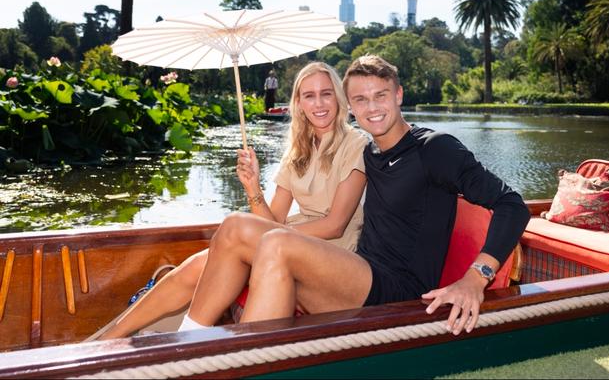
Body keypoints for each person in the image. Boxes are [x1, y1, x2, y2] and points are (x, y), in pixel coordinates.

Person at [179, 54, 530, 336]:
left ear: (399, 95)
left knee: (276, 243)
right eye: (360, 99)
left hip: (400, 290)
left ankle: (211, 354)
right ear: (351, 106)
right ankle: (190, 344)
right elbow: (322, 161)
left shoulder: (434, 148)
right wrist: (255, 185)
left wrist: (475, 278)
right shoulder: (369, 153)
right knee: (243, 234)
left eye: (380, 96)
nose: (372, 108)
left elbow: (511, 205)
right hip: (359, 274)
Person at [96, 62, 367, 339]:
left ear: (339, 97)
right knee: (200, 264)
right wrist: (252, 187)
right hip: (287, 247)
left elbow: (336, 225)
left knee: (236, 226)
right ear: (298, 103)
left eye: (326, 93)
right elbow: (270, 222)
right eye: (309, 95)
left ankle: (188, 339)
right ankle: (111, 338)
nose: (319, 103)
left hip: (335, 259)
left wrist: (271, 237)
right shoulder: (297, 152)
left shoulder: (356, 144)